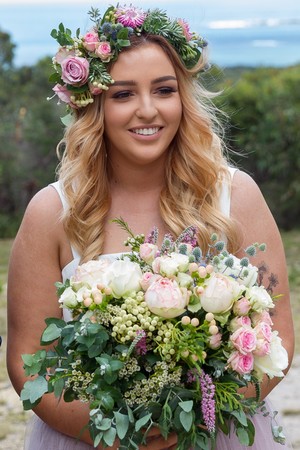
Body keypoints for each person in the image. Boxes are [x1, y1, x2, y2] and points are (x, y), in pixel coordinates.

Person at [6, 4, 294, 450]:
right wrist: (125, 438)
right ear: (94, 105)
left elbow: (277, 339)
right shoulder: (52, 213)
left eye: (163, 90)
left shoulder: (236, 197)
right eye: (122, 94)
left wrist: (191, 425)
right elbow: (29, 363)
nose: (147, 110)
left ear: (183, 97)